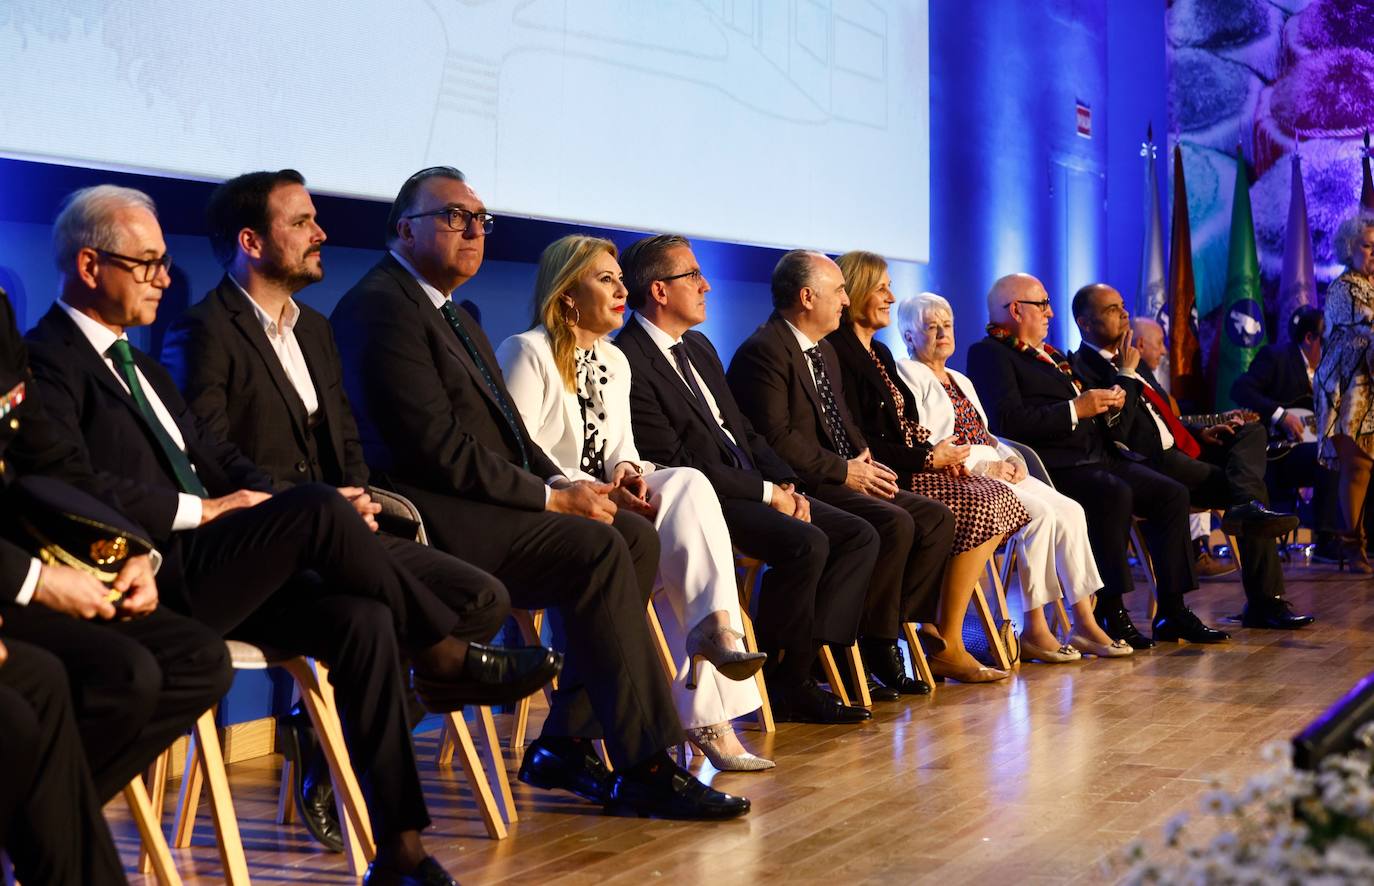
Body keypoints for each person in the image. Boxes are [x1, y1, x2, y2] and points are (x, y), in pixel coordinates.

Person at [24, 185, 561, 884]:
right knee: (315, 512)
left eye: (162, 263)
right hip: (155, 572)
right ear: (91, 266)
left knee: (365, 620)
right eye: (147, 264)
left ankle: (400, 853)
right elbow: (74, 485)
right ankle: (442, 650)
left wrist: (304, 501)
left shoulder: (142, 365)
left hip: (225, 567)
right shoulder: (45, 362)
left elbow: (220, 461)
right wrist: (209, 512)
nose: (162, 277)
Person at [331, 166, 749, 820]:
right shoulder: (380, 307)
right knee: (600, 548)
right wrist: (555, 501)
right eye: (453, 217)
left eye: (480, 220)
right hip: (434, 518)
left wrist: (569, 485)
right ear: (403, 229)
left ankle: (565, 742)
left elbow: (515, 438)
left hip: (485, 505)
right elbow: (433, 449)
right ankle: (643, 765)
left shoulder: (452, 316)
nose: (473, 231)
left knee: (630, 533)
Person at [161, 169, 549, 850]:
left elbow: (345, 438)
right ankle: (405, 710)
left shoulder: (314, 329)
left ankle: (323, 736)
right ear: (252, 241)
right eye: (303, 223)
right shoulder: (203, 332)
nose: (323, 234)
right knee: (377, 615)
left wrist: (362, 498)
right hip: (265, 550)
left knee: (480, 596)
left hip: (343, 535)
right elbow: (209, 455)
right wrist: (312, 504)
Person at [497, 234, 771, 770]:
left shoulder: (616, 361)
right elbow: (519, 454)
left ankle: (716, 630)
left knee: (686, 484)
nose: (623, 289)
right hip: (556, 511)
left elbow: (621, 448)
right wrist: (594, 487)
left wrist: (627, 473)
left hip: (609, 502)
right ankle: (707, 717)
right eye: (606, 279)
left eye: (621, 278)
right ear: (567, 293)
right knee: (670, 561)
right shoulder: (525, 351)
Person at [1, 285, 223, 885]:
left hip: (36, 562)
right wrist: (35, 581)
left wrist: (131, 553)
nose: (164, 279)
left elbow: (51, 468)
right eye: (146, 263)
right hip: (16, 575)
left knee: (196, 657)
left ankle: (37, 823)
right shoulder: (52, 350)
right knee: (105, 677)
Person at [615, 235, 884, 720]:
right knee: (807, 543)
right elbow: (678, 461)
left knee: (858, 533)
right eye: (693, 276)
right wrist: (766, 494)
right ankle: (789, 683)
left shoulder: (697, 345)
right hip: (706, 500)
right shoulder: (630, 358)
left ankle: (819, 659)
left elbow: (746, 432)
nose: (707, 285)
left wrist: (788, 487)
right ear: (659, 291)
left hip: (752, 486)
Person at [727, 251, 973, 683]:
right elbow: (776, 439)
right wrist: (845, 471)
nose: (845, 300)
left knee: (934, 518)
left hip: (839, 472)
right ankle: (847, 651)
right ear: (807, 297)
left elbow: (845, 422)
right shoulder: (764, 351)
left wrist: (865, 461)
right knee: (891, 524)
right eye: (839, 290)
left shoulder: (821, 349)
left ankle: (882, 628)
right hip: (805, 480)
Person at [965, 273, 1227, 647]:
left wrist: (1106, 402)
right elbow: (1007, 420)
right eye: (1042, 305)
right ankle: (1111, 608)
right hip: (1052, 466)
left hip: (1096, 457)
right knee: (1113, 493)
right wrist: (1076, 408)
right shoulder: (990, 353)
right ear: (1016, 310)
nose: (1052, 313)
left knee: (1172, 494)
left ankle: (1172, 609)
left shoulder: (1050, 356)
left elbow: (1083, 408)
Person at [827, 253, 1053, 668]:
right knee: (985, 501)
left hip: (915, 463)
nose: (890, 297)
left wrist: (941, 456)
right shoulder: (838, 352)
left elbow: (903, 424)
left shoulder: (877, 351)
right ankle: (941, 635)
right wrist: (929, 457)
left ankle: (941, 631)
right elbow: (864, 438)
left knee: (1002, 500)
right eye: (881, 288)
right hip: (892, 472)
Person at [892, 289, 1132, 660]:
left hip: (997, 464)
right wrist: (986, 466)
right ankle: (1035, 628)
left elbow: (985, 433)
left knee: (1071, 510)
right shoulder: (909, 374)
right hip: (961, 474)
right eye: (930, 327)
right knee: (1041, 516)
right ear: (908, 336)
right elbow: (934, 442)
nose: (942, 334)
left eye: (947, 325)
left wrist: (1012, 457)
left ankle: (1084, 621)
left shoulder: (959, 378)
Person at [1070, 285, 1309, 630]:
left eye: (1123, 306)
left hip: (1180, 448)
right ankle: (1264, 602)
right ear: (1085, 323)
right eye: (1111, 309)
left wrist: (1198, 434)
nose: (1123, 314)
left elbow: (1161, 417)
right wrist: (1124, 374)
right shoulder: (1083, 368)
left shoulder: (1131, 358)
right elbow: (1117, 432)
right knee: (1249, 490)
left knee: (1251, 431)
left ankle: (1245, 508)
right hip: (1149, 463)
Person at [1128, 319, 1238, 578]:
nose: (1165, 351)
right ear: (1141, 344)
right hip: (1153, 461)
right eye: (1160, 344)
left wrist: (1200, 431)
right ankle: (1197, 553)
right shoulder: (1125, 375)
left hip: (1174, 449)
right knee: (1223, 481)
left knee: (1245, 437)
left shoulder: (1147, 377)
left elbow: (1171, 423)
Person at [1229, 306, 1340, 561]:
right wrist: (1281, 415)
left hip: (1313, 446)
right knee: (1329, 457)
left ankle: (1360, 538)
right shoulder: (1277, 357)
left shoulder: (1329, 371)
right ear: (1310, 338)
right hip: (1279, 452)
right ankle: (1326, 540)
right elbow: (1240, 389)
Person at [1314, 214, 1374, 572]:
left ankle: (1354, 540)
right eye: (1367, 246)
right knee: (1358, 466)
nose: (1373, 253)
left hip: (1370, 386)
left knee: (1365, 469)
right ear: (1349, 248)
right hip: (1345, 388)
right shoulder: (1344, 288)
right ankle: (1351, 545)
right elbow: (1368, 325)